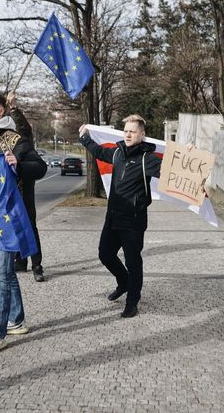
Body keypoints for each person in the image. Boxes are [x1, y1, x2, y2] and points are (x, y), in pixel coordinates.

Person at [0, 90, 47, 355]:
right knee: (6, 274)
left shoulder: (15, 140)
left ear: (2, 111)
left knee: (0, 277)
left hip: (12, 219)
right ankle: (17, 320)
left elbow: (40, 167)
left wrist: (18, 164)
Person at [79, 114, 162, 318]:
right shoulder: (117, 153)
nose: (128, 134)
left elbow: (173, 173)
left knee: (133, 262)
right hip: (113, 216)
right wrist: (85, 138)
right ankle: (123, 282)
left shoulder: (147, 158)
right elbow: (98, 152)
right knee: (105, 254)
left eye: (132, 131)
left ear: (142, 135)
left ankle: (132, 301)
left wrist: (189, 161)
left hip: (133, 220)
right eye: (126, 131)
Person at [6, 91, 46, 282]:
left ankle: (37, 265)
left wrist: (13, 108)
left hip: (24, 190)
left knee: (29, 227)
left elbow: (24, 128)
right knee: (14, 228)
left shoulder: (22, 142)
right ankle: (20, 261)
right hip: (7, 193)